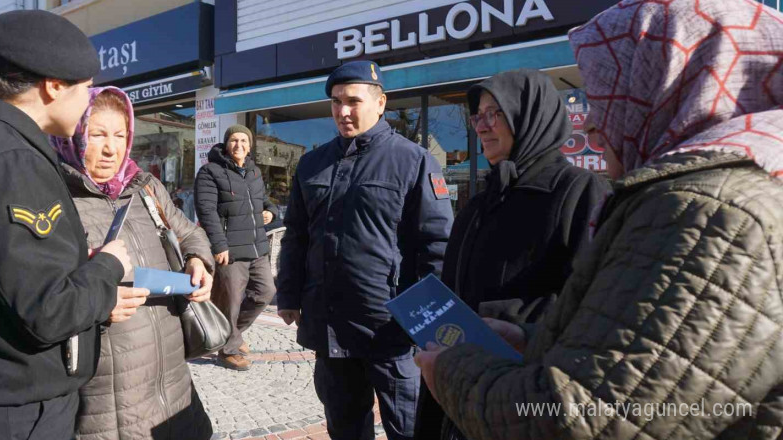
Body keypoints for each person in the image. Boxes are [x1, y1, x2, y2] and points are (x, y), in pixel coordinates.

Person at [414, 0, 783, 439]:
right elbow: (630, 345)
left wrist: (457, 369)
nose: (589, 122)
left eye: (607, 95)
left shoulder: (708, 210)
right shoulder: (707, 196)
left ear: (663, 87)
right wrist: (531, 339)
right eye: (478, 115)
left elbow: (590, 414)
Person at [0, 10, 149, 439]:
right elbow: (49, 311)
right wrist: (107, 267)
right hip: (11, 415)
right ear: (54, 86)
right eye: (85, 91)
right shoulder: (10, 160)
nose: (87, 104)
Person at [414, 69, 610, 440]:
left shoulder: (578, 192)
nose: (482, 127)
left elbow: (593, 307)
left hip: (526, 399)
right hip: (463, 389)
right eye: (477, 117)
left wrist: (509, 324)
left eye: (494, 114)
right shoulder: (479, 204)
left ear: (530, 115)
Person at [276, 60, 454, 440]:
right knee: (344, 429)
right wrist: (289, 294)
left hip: (390, 332)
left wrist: (426, 324)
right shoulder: (312, 163)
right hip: (330, 327)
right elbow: (296, 236)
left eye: (353, 101)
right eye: (336, 101)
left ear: (381, 103)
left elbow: (437, 247)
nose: (342, 111)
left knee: (411, 430)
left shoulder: (414, 161)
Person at [48, 86, 214, 439]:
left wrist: (199, 260)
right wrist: (96, 303)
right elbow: (40, 294)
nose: (112, 148)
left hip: (172, 378)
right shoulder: (53, 197)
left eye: (120, 135)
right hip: (109, 395)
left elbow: (188, 233)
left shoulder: (144, 187)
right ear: (74, 137)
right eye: (97, 135)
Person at [195, 126, 279, 370]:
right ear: (226, 143)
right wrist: (219, 244)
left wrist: (270, 212)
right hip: (229, 250)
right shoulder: (211, 171)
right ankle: (228, 350)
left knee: (265, 292)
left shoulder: (254, 172)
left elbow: (265, 201)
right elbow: (206, 211)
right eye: (234, 140)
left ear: (250, 145)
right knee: (229, 301)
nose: (239, 145)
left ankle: (232, 334)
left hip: (257, 248)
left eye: (243, 140)